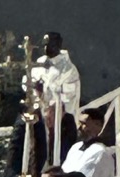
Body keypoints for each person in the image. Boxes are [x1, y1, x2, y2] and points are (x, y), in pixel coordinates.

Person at [30, 33, 81, 161]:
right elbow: (29, 83)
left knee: (60, 155)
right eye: (44, 45)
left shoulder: (69, 69)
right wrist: (36, 89)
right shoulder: (39, 63)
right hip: (40, 114)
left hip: (61, 118)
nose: (46, 48)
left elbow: (69, 95)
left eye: (50, 45)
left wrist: (51, 101)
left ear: (58, 45)